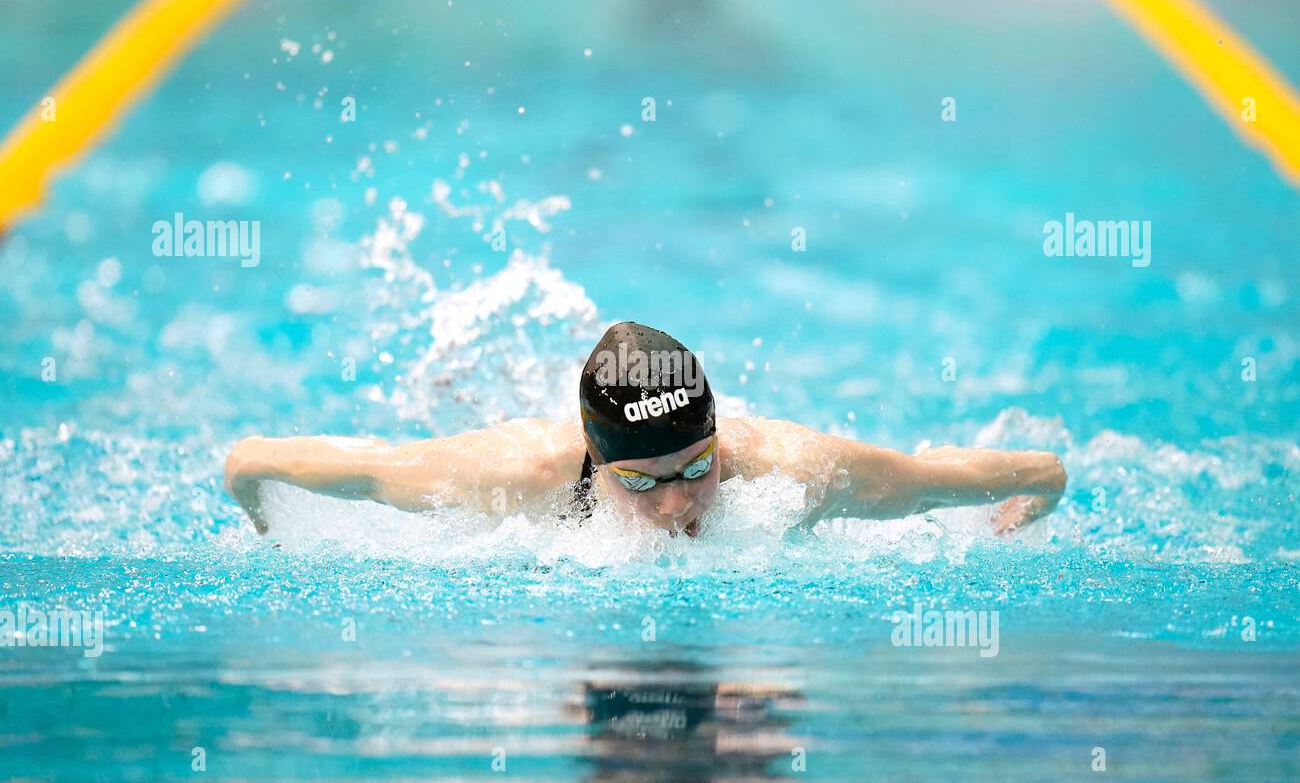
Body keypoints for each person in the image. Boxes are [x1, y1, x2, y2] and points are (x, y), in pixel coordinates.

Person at [224, 322, 1067, 538]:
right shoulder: (513, 477)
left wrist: (1022, 508)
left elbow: (987, 475)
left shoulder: (793, 473)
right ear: (598, 460)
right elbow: (255, 461)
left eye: (696, 467)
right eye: (641, 481)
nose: (677, 506)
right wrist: (267, 522)